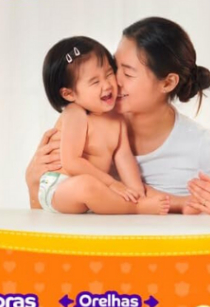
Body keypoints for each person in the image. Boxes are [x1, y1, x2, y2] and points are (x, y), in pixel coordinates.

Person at [27, 18, 210, 215]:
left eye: (127, 73)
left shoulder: (198, 145)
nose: (112, 81)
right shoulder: (87, 117)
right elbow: (43, 212)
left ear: (167, 83)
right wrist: (31, 180)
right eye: (113, 67)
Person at [35, 36, 171, 215]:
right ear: (69, 94)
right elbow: (71, 162)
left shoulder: (117, 119)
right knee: (87, 185)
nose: (107, 85)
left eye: (108, 74)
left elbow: (124, 157)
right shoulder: (75, 114)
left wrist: (135, 190)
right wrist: (112, 183)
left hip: (97, 187)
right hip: (60, 186)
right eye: (95, 81)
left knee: (133, 189)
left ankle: (140, 201)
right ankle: (136, 208)